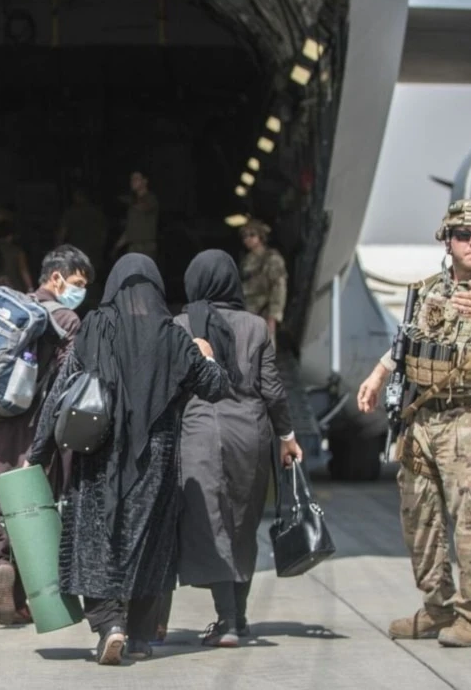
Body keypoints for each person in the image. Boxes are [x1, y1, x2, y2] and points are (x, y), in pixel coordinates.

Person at [26, 254, 230, 666]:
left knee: (95, 542)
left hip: (98, 456)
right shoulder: (174, 338)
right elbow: (216, 387)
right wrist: (206, 355)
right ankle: (137, 636)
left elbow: (61, 392)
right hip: (156, 461)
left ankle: (109, 624)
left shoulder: (95, 328)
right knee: (148, 544)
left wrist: (39, 452)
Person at [356, 199, 471, 648]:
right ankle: (437, 608)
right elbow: (408, 341)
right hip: (424, 420)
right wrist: (378, 376)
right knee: (420, 517)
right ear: (446, 241)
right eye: (462, 235)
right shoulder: (432, 289)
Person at [0, 244, 94, 626]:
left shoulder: (4, 309)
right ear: (56, 277)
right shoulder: (67, 320)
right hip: (33, 433)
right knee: (31, 509)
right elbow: (68, 381)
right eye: (77, 282)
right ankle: (20, 590)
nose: (81, 290)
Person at [166, 249, 302, 646]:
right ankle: (238, 618)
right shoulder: (256, 326)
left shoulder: (179, 325)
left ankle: (227, 620)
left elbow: (170, 386)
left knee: (209, 523)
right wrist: (287, 436)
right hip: (251, 433)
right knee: (243, 525)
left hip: (198, 433)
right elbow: (272, 389)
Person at [238, 220, 287, 339]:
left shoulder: (271, 258)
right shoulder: (246, 261)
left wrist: (273, 316)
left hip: (263, 312)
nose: (247, 239)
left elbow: (278, 287)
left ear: (261, 237)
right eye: (245, 236)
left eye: (252, 235)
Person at [113, 171, 159, 260]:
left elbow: (144, 206)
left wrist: (128, 200)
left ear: (145, 181)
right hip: (133, 248)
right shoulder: (133, 206)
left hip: (146, 248)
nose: (132, 182)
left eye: (136, 179)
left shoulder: (151, 198)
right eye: (131, 179)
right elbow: (130, 229)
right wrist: (117, 246)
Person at [0, 219, 33, 292]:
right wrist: (30, 288)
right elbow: (23, 271)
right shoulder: (17, 251)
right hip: (13, 288)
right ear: (11, 235)